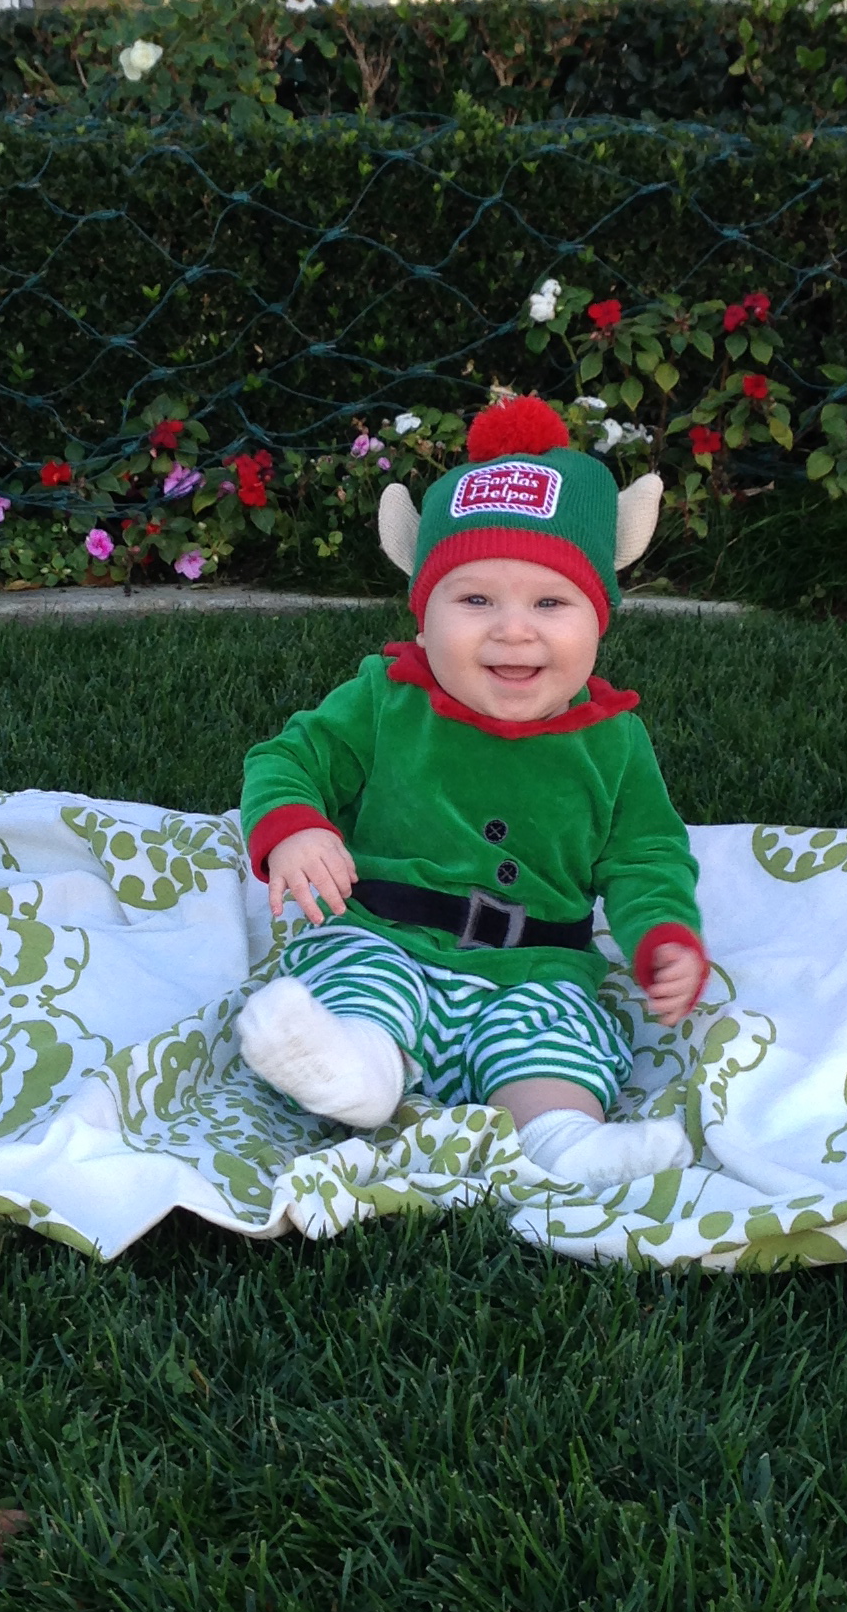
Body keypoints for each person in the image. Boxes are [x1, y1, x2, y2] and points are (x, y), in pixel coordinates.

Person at [236, 398, 709, 1190]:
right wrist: (295, 827)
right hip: (387, 935)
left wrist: (661, 934)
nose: (512, 630)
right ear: (424, 621)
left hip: (537, 967)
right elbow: (292, 758)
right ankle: (358, 1071)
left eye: (550, 602)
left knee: (553, 1039)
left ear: (600, 621)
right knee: (364, 986)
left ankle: (565, 1139)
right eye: (475, 600)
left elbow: (646, 854)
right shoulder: (387, 697)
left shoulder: (613, 740)